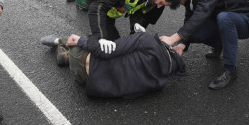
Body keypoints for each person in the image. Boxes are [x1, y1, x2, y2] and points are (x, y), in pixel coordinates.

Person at [159, 0, 249, 90]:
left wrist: (173, 38)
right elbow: (190, 19)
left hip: (246, 22)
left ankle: (230, 71)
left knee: (225, 18)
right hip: (225, 20)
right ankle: (219, 45)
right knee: (192, 32)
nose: (176, 2)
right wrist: (181, 45)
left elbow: (202, 13)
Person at [40, 32, 186, 99]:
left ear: (165, 42)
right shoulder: (160, 83)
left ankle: (60, 42)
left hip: (81, 58)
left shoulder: (147, 40)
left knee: (93, 38)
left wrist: (81, 41)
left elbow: (107, 51)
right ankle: (66, 54)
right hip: (87, 81)